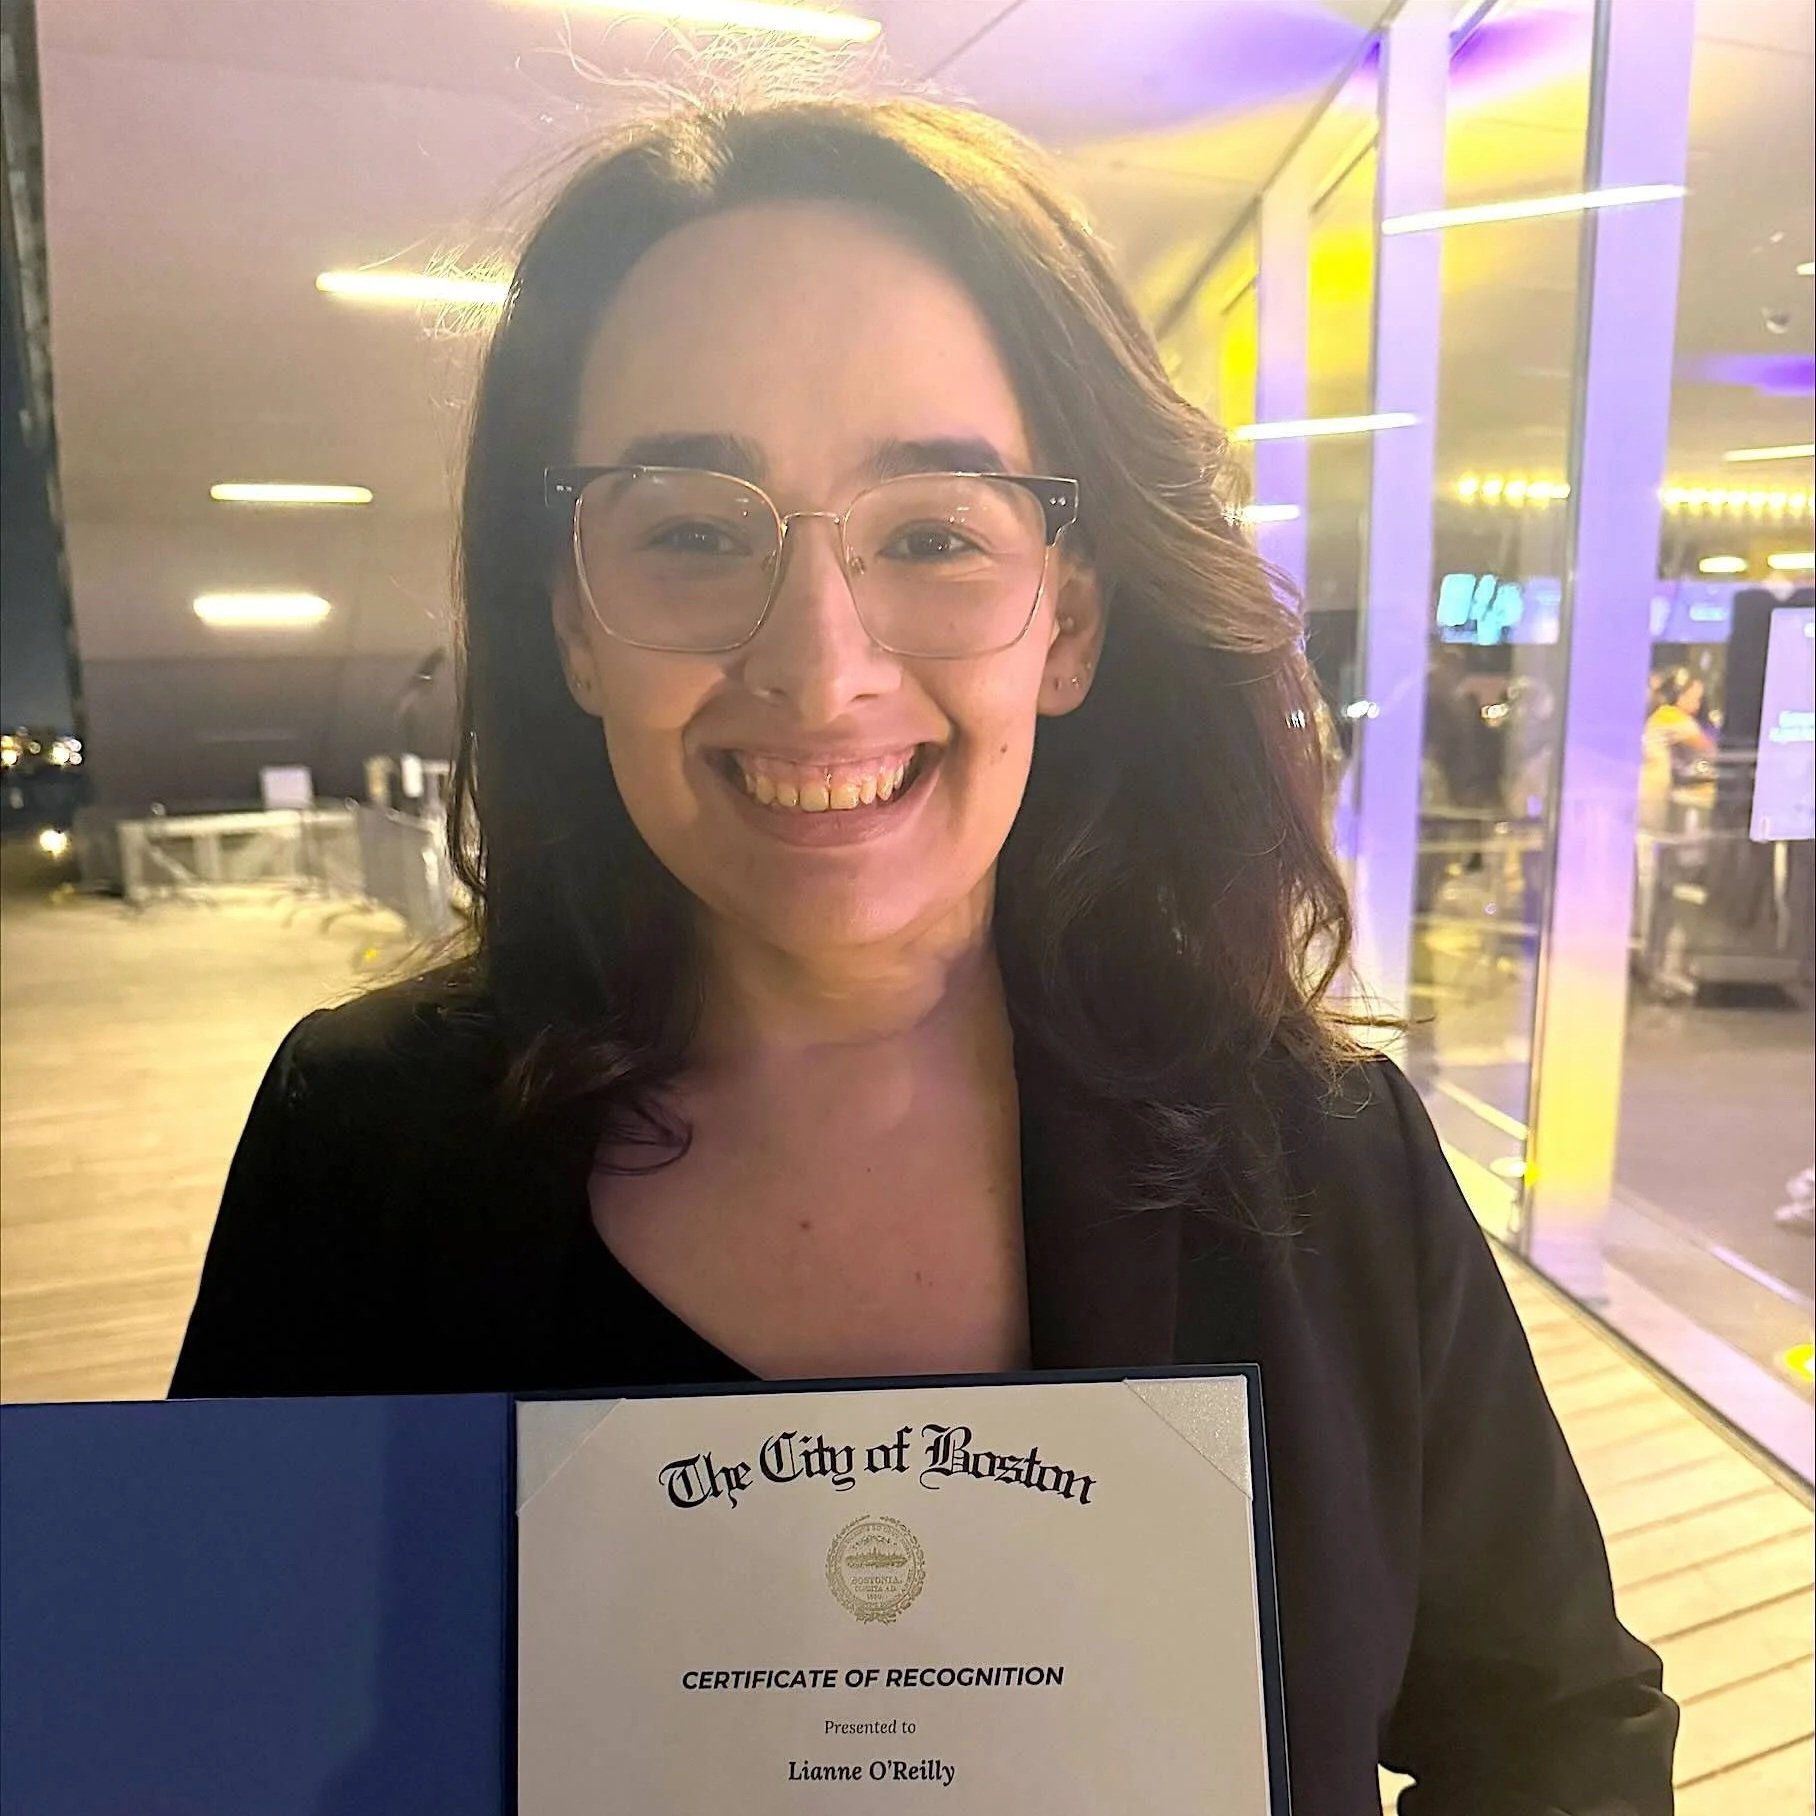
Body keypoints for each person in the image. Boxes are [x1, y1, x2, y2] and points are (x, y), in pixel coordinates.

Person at [170, 97, 1675, 1806]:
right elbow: (235, 1742)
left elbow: (1559, 1728)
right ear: (575, 617)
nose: (819, 671)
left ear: (1075, 621)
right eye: (693, 531)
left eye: (934, 535)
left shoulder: (1321, 1151)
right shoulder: (358, 1148)